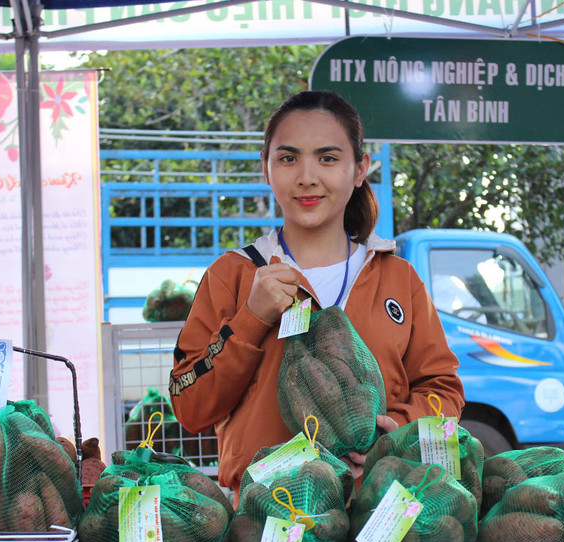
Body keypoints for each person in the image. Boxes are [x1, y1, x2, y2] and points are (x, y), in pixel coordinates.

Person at [169, 90, 465, 496]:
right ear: (266, 168)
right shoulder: (233, 275)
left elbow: (443, 391)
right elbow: (190, 408)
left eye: (327, 158)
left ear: (359, 168)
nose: (307, 176)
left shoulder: (398, 279)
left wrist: (398, 427)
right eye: (288, 158)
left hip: (381, 523)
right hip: (269, 521)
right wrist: (251, 319)